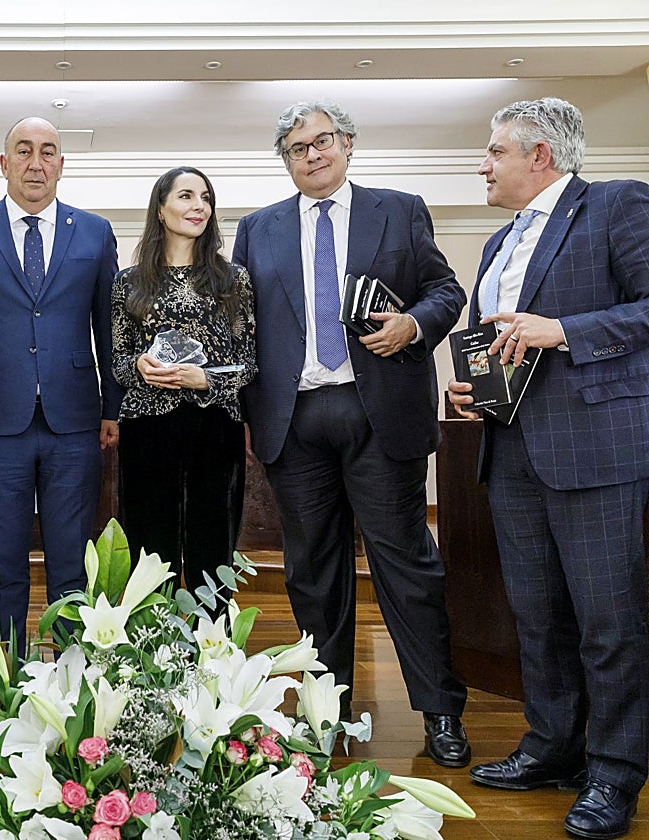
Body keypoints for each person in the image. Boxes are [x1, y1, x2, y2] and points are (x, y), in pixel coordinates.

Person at [232, 100, 470, 767]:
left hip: (380, 413)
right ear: (285, 159)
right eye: (296, 147)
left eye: (322, 141)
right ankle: (321, 714)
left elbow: (445, 290)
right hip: (293, 420)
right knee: (312, 574)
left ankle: (441, 712)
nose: (311, 154)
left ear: (348, 144)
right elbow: (245, 324)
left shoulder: (400, 208)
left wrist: (414, 325)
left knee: (406, 568)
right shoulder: (258, 229)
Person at [447, 97, 649, 840]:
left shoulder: (618, 206)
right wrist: (473, 388)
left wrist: (564, 329)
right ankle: (552, 746)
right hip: (511, 451)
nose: (483, 164)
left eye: (494, 151)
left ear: (540, 155)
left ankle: (617, 771)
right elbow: (501, 341)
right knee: (537, 617)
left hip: (597, 449)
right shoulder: (500, 241)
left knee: (608, 622)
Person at [0, 116, 120, 654]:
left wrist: (114, 405)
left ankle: (72, 690)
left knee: (71, 567)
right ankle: (4, 686)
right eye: (24, 151)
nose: (36, 162)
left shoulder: (95, 232)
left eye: (48, 151)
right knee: (4, 563)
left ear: (62, 163)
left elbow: (109, 327)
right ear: (4, 162)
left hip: (75, 421)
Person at [111, 166, 255, 590]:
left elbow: (250, 363)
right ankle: (155, 651)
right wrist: (138, 365)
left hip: (215, 427)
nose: (199, 207)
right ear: (160, 209)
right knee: (149, 550)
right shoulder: (128, 283)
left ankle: (215, 651)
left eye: (206, 198)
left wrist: (206, 380)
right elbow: (118, 360)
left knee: (214, 546)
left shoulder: (235, 280)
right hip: (146, 427)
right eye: (186, 196)